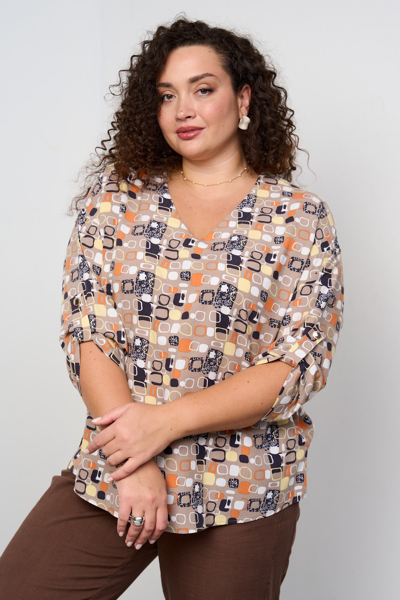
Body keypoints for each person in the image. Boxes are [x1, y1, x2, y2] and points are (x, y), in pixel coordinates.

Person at [0, 16, 345, 600]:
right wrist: (135, 463)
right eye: (166, 95)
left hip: (240, 485)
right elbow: (89, 332)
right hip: (117, 471)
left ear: (243, 99)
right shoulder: (116, 202)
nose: (183, 109)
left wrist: (164, 424)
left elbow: (296, 364)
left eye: (202, 89)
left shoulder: (300, 218)